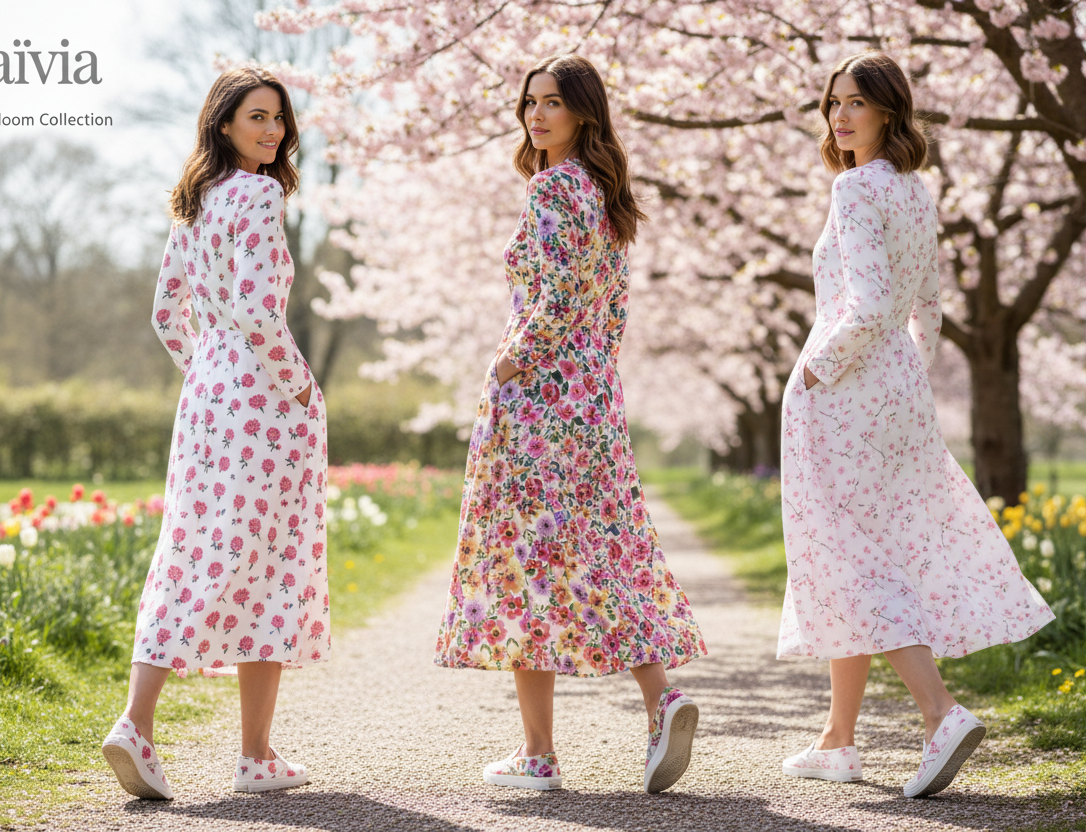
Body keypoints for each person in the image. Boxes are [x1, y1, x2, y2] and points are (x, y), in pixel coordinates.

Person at [777, 51, 1054, 798]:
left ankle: (939, 713)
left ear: (890, 112)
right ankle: (837, 739)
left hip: (846, 389)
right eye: (833, 102)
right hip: (896, 385)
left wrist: (815, 371)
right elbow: (924, 308)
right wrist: (904, 375)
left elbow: (868, 307)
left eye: (856, 103)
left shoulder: (856, 187)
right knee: (860, 549)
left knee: (854, 557)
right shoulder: (913, 189)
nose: (840, 116)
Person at [433, 54, 708, 794]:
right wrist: (580, 374)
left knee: (525, 563)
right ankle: (662, 699)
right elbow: (608, 315)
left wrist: (512, 364)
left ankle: (539, 756)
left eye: (553, 102)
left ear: (584, 112)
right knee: (601, 549)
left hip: (540, 401)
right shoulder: (606, 196)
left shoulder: (554, 187)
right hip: (592, 396)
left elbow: (552, 298)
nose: (537, 114)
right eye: (530, 102)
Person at [102, 67, 329, 800]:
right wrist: (298, 385)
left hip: (206, 400)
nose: (272, 131)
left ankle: (148, 725)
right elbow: (262, 314)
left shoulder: (193, 204)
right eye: (257, 117)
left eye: (279, 120)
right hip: (261, 400)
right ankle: (250, 754)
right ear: (223, 123)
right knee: (266, 558)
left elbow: (167, 316)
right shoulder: (259, 195)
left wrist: (210, 372)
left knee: (194, 550)